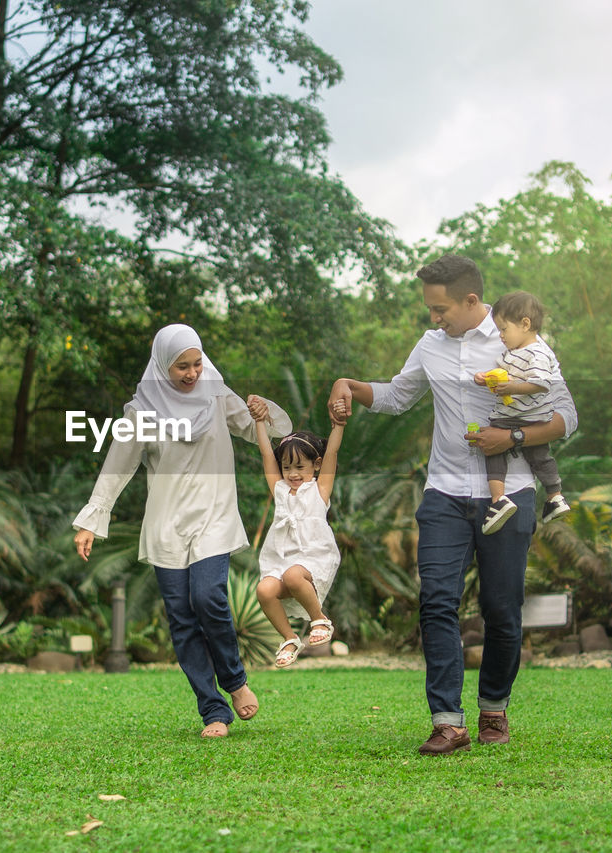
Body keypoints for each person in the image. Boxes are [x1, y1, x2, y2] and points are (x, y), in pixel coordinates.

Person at [327, 255, 577, 756]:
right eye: (429, 308)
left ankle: (493, 709)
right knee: (436, 602)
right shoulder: (430, 345)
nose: (433, 317)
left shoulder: (518, 341)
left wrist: (510, 437)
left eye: (440, 308)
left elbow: (566, 417)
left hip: (511, 491)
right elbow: (398, 396)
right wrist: (348, 386)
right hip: (442, 492)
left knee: (501, 610)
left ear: (470, 300)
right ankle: (447, 722)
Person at [72, 323, 292, 739]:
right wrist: (91, 518)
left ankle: (235, 680)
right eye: (181, 367)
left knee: (208, 597)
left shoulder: (215, 393)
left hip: (214, 515)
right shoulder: (141, 412)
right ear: (161, 366)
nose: (192, 373)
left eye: (196, 363)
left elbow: (261, 427)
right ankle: (213, 710)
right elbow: (119, 464)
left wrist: (263, 413)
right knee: (182, 620)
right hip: (166, 524)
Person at [247, 396, 345, 667]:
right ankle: (290, 639)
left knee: (293, 575)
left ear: (316, 464)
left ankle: (320, 619)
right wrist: (259, 423)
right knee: (265, 590)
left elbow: (333, 454)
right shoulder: (279, 491)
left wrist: (338, 426)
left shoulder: (319, 490)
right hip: (282, 559)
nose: (292, 473)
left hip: (314, 557)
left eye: (299, 466)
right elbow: (267, 455)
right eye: (287, 467)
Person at [473, 290, 571, 535]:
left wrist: (512, 387)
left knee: (493, 449)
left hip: (516, 416)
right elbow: (503, 374)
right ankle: (555, 498)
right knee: (540, 456)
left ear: (525, 324)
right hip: (531, 418)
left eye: (504, 329)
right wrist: (485, 378)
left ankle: (498, 500)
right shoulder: (515, 353)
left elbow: (541, 383)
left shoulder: (537, 352)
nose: (501, 336)